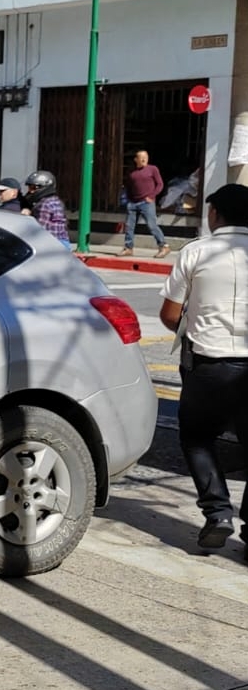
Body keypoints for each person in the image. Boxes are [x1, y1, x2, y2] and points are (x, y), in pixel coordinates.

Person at [159, 184, 248, 550]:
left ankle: (218, 512)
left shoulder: (195, 252)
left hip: (208, 364)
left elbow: (169, 314)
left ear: (215, 214)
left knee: (197, 437)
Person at [123, 150, 170, 258]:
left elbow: (160, 184)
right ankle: (128, 247)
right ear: (136, 159)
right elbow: (129, 186)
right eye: (141, 157)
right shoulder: (131, 172)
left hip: (146, 202)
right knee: (129, 226)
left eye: (146, 157)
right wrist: (129, 199)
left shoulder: (152, 169)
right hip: (133, 203)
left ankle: (163, 246)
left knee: (151, 225)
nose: (144, 159)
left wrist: (152, 196)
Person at [23, 170, 71, 249]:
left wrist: (26, 217)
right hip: (63, 242)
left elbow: (38, 230)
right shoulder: (56, 201)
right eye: (29, 187)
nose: (30, 191)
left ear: (44, 187)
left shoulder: (44, 204)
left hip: (51, 246)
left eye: (34, 188)